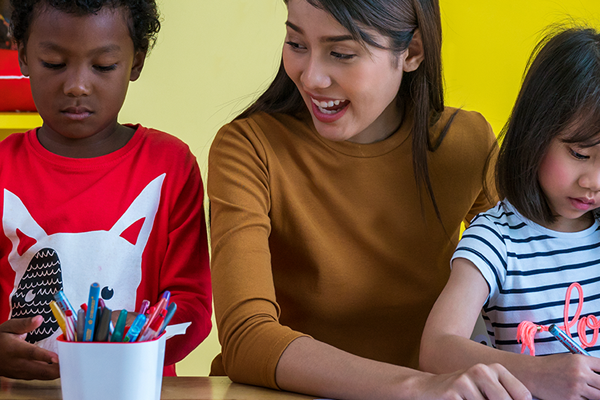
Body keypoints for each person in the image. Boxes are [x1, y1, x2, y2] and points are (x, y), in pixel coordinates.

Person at [208, 0, 531, 398]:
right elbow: (247, 338)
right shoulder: (248, 148)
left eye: (341, 53)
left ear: (411, 52)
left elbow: (528, 290)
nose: (311, 77)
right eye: (296, 43)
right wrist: (418, 388)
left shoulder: (466, 145)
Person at [0, 0, 212, 380]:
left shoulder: (170, 166)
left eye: (103, 66)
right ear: (23, 56)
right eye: (53, 63)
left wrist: (137, 335)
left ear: (136, 63)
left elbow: (192, 309)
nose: (77, 85)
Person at [420, 27, 600, 400]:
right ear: (535, 133)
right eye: (579, 154)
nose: (593, 181)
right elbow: (436, 348)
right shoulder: (497, 238)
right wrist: (538, 373)